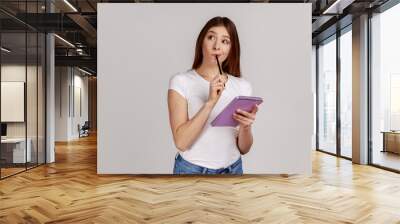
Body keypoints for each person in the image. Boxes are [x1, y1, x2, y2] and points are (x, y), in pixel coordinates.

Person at [167, 16, 259, 175]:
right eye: (211, 38)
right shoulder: (181, 81)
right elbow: (181, 143)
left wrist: (246, 126)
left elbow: (244, 149)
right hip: (191, 171)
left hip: (233, 169)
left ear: (231, 48)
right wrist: (210, 103)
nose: (217, 46)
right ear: (202, 42)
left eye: (225, 41)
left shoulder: (243, 86)